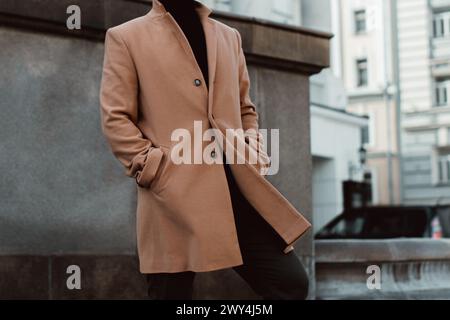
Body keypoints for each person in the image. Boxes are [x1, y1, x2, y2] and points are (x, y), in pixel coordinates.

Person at [99, 0, 311, 300]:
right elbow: (116, 117)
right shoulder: (126, 36)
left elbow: (245, 108)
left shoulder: (228, 36)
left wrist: (252, 149)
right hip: (171, 194)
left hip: (236, 190)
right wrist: (154, 168)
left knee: (290, 283)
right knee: (170, 293)